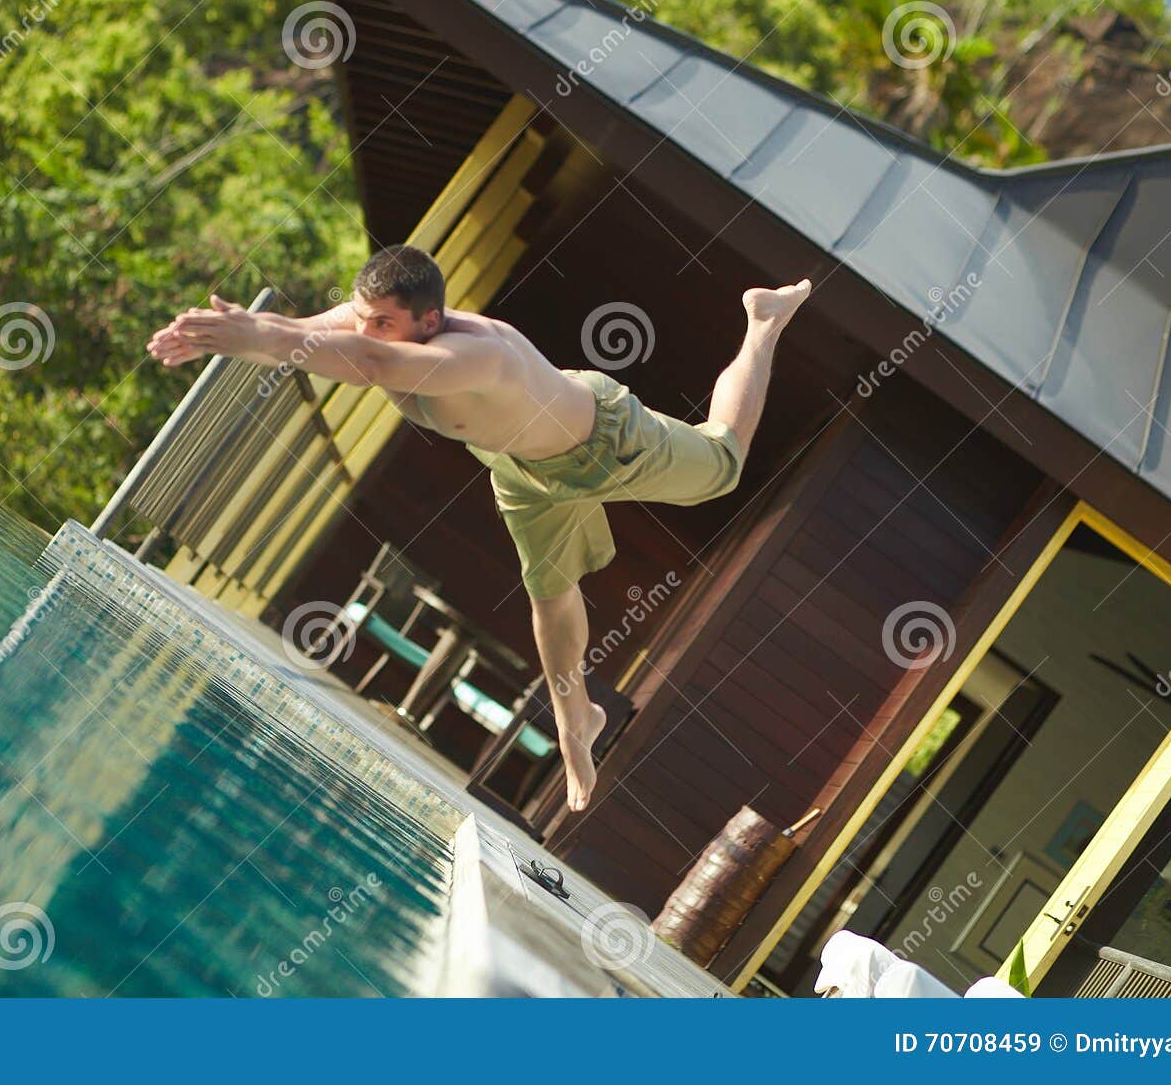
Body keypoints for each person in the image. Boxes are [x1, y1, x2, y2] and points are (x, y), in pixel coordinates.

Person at [147, 245, 809, 812]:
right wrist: (237, 328)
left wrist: (260, 339)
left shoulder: (477, 355)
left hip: (600, 443)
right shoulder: (369, 322)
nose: (367, 330)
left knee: (721, 462)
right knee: (549, 594)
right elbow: (299, 333)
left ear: (430, 321)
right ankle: (577, 721)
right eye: (361, 316)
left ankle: (762, 324)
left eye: (385, 323)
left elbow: (368, 364)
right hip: (520, 465)